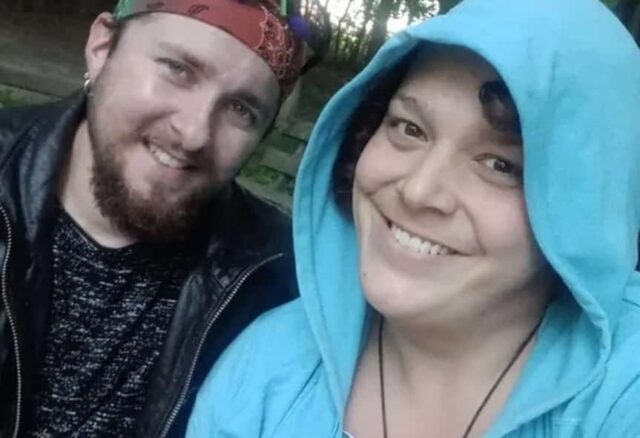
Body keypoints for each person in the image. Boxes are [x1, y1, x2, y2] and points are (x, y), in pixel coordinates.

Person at [186, 0, 640, 436]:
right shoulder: (261, 374)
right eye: (410, 128)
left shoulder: (623, 391)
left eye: (500, 164)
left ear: (586, 208)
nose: (418, 191)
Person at [0, 0, 329, 436]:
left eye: (241, 109)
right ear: (102, 48)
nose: (194, 134)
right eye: (178, 69)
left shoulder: (279, 284)